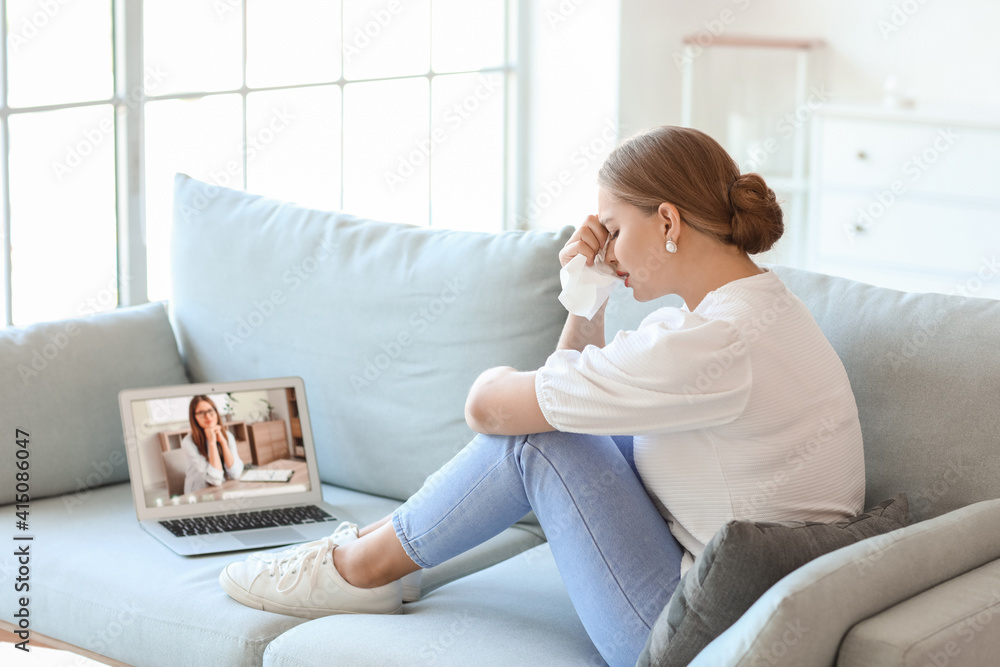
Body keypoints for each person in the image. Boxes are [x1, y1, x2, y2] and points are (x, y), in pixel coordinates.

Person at [219, 126, 865, 666]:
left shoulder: (706, 345)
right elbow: (569, 402)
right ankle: (366, 550)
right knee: (561, 425)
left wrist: (509, 377)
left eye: (612, 227)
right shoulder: (762, 312)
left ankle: (360, 567)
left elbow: (496, 410)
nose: (606, 249)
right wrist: (587, 301)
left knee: (534, 435)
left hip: (686, 636)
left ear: (667, 219)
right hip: (738, 606)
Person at [180, 395, 244, 495]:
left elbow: (235, 474)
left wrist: (223, 442)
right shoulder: (188, 442)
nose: (208, 416)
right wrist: (212, 442)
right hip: (199, 493)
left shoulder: (227, 435)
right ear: (194, 417)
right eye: (201, 413)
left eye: (210, 411)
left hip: (222, 489)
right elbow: (215, 480)